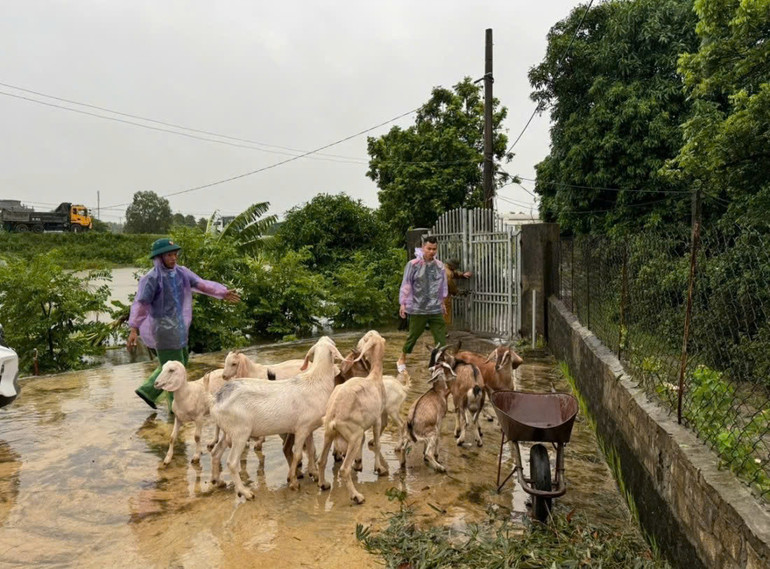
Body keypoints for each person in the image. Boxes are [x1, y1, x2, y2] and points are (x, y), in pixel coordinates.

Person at [127, 238, 240, 410]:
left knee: (181, 361)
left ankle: (148, 391)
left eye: (175, 254)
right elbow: (141, 305)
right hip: (163, 328)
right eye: (169, 255)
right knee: (175, 369)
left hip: (179, 325)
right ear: (160, 258)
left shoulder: (181, 272)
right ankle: (176, 408)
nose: (173, 258)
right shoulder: (151, 278)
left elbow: (201, 284)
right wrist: (134, 328)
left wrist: (222, 292)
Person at [396, 236, 448, 372]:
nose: (431, 251)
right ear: (423, 247)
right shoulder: (413, 264)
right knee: (413, 336)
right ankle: (402, 358)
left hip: (435, 307)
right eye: (429, 248)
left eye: (434, 249)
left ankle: (440, 362)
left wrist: (442, 303)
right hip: (417, 307)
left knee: (441, 337)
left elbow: (442, 286)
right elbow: (406, 284)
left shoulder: (439, 266)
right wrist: (403, 303)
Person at [443, 259, 472, 325]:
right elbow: (450, 284)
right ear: (452, 266)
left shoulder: (444, 268)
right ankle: (443, 330)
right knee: (445, 311)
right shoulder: (448, 273)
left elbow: (454, 273)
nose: (455, 268)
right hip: (444, 295)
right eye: (455, 267)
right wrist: (456, 291)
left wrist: (462, 274)